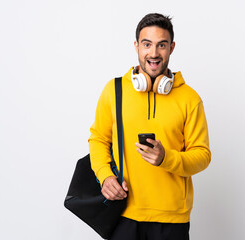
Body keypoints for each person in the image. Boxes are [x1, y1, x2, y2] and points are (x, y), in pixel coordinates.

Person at [88, 13, 211, 240]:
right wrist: (105, 177)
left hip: (172, 219)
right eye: (147, 44)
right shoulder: (113, 91)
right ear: (136, 46)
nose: (153, 53)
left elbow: (202, 155)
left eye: (161, 45)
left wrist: (166, 159)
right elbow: (98, 139)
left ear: (171, 48)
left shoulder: (190, 99)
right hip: (122, 213)